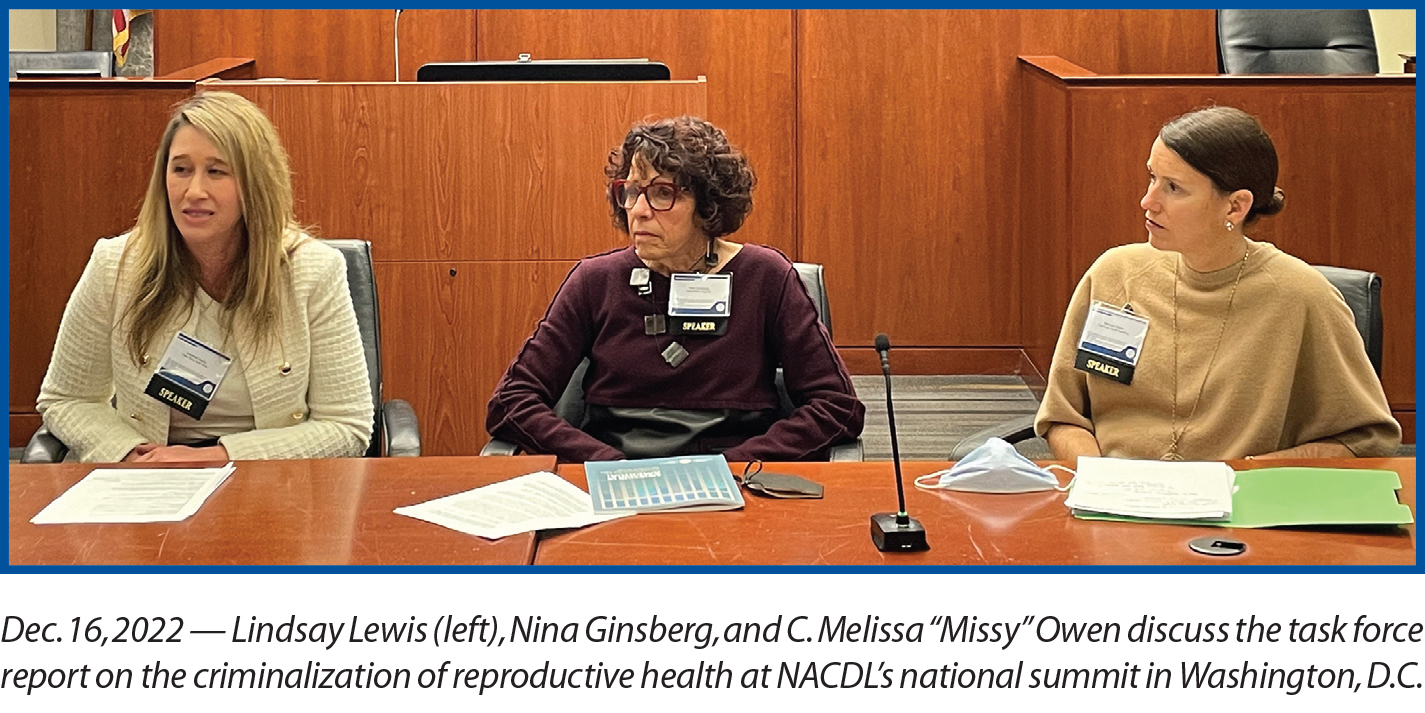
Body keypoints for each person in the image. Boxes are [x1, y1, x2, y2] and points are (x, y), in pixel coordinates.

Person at [487, 115, 864, 462]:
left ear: (707, 203)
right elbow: (511, 402)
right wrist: (605, 463)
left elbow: (836, 407)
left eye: (663, 193)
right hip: (616, 478)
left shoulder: (766, 277)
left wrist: (733, 467)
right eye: (631, 191)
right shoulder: (595, 281)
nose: (639, 210)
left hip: (737, 484)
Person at [1035, 106, 1399, 461]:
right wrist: (1100, 478)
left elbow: (1366, 440)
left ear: (1235, 207)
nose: (1148, 201)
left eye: (1174, 187)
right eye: (1152, 178)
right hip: (1115, 492)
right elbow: (1064, 416)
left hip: (1240, 495)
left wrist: (1249, 474)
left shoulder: (1303, 297)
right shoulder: (1115, 274)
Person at [37, 91, 374, 462]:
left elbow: (347, 426)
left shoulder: (313, 271)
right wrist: (127, 454)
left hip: (271, 478)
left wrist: (218, 456)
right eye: (181, 169)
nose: (194, 191)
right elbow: (68, 399)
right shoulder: (115, 265)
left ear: (255, 183)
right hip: (150, 475)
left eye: (216, 172)